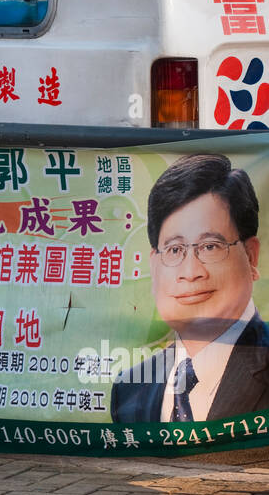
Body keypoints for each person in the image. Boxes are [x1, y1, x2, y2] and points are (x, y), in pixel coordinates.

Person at [112, 154, 269, 423]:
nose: (191, 272)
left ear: (251, 256)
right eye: (174, 250)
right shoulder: (129, 389)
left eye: (210, 246)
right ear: (155, 264)